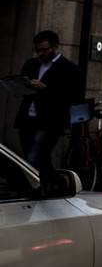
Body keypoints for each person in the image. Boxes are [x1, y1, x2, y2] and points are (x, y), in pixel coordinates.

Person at [14, 30, 82, 172]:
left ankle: (36, 189)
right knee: (36, 157)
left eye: (44, 50)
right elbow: (22, 85)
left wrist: (46, 88)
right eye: (37, 50)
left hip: (49, 121)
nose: (40, 54)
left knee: (33, 158)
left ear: (55, 47)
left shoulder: (68, 68)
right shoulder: (31, 64)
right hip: (27, 118)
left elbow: (73, 96)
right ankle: (49, 185)